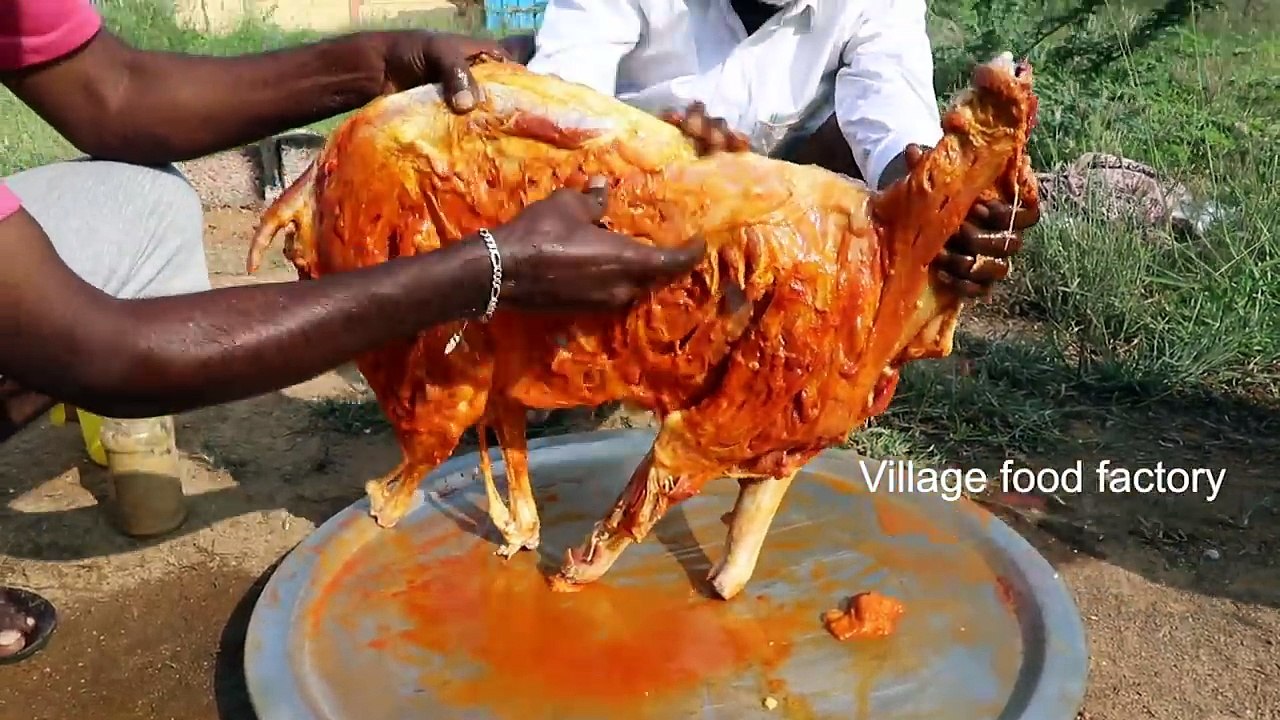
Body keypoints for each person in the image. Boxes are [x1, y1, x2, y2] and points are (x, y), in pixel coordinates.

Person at [0, 0, 705, 656]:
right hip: (92, 343)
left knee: (142, 205)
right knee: (45, 324)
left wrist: (377, 62)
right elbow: (100, 350)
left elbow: (115, 91)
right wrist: (488, 271)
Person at [520, 0, 1039, 290]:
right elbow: (558, 113)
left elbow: (891, 117)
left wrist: (939, 209)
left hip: (780, 203)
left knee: (858, 164)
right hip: (616, 197)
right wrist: (664, 163)